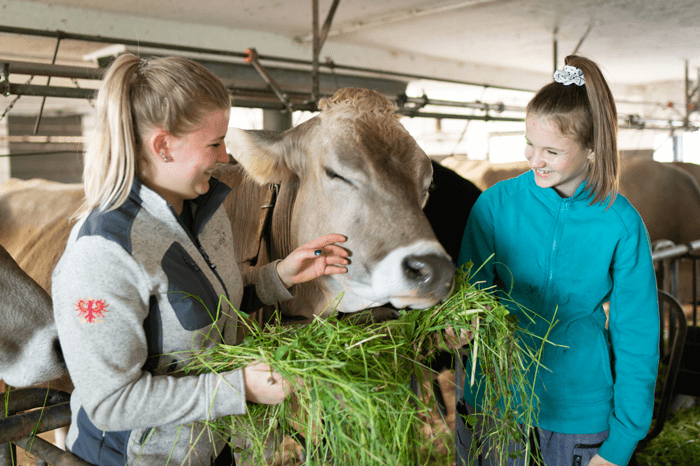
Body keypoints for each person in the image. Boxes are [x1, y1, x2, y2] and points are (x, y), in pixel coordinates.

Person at [51, 54, 349, 466]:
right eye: (214, 143)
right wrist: (237, 389)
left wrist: (277, 276)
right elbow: (111, 403)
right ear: (162, 146)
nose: (226, 157)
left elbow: (203, 307)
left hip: (210, 443)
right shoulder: (103, 253)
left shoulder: (203, 210)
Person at [456, 55, 658, 466]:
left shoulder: (621, 223)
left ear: (591, 149)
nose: (534, 160)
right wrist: (454, 325)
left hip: (578, 412)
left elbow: (636, 334)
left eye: (552, 150)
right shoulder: (495, 205)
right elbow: (469, 298)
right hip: (495, 402)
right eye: (529, 143)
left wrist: (621, 443)